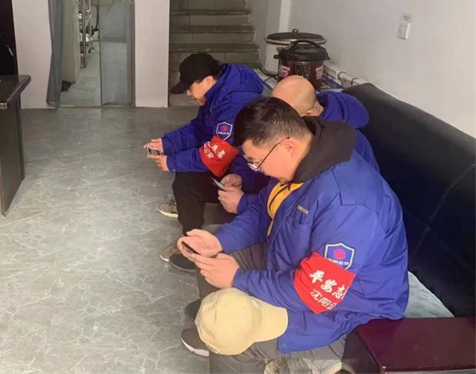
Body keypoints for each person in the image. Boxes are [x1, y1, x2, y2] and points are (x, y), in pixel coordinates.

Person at [176, 98, 409, 372]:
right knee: (212, 251)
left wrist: (238, 279)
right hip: (291, 260)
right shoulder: (301, 160)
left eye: (256, 163)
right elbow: (264, 208)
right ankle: (221, 324)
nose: (258, 170)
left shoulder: (347, 204)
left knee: (236, 346)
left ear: (287, 146)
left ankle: (234, 340)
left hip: (345, 310)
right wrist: (219, 241)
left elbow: (315, 293)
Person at [145, 53, 267, 273]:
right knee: (187, 171)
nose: (189, 94)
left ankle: (193, 246)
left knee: (187, 181)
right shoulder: (220, 93)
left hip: (249, 174)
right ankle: (189, 218)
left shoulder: (235, 104)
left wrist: (171, 162)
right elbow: (198, 128)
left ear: (208, 80)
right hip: (236, 168)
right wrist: (167, 143)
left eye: (190, 88)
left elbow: (216, 155)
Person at [218, 75, 378, 216]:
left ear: (308, 115)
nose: (270, 123)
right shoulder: (302, 127)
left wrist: (244, 203)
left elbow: (303, 208)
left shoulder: (343, 148)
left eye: (280, 117)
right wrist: (244, 178)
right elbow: (272, 172)